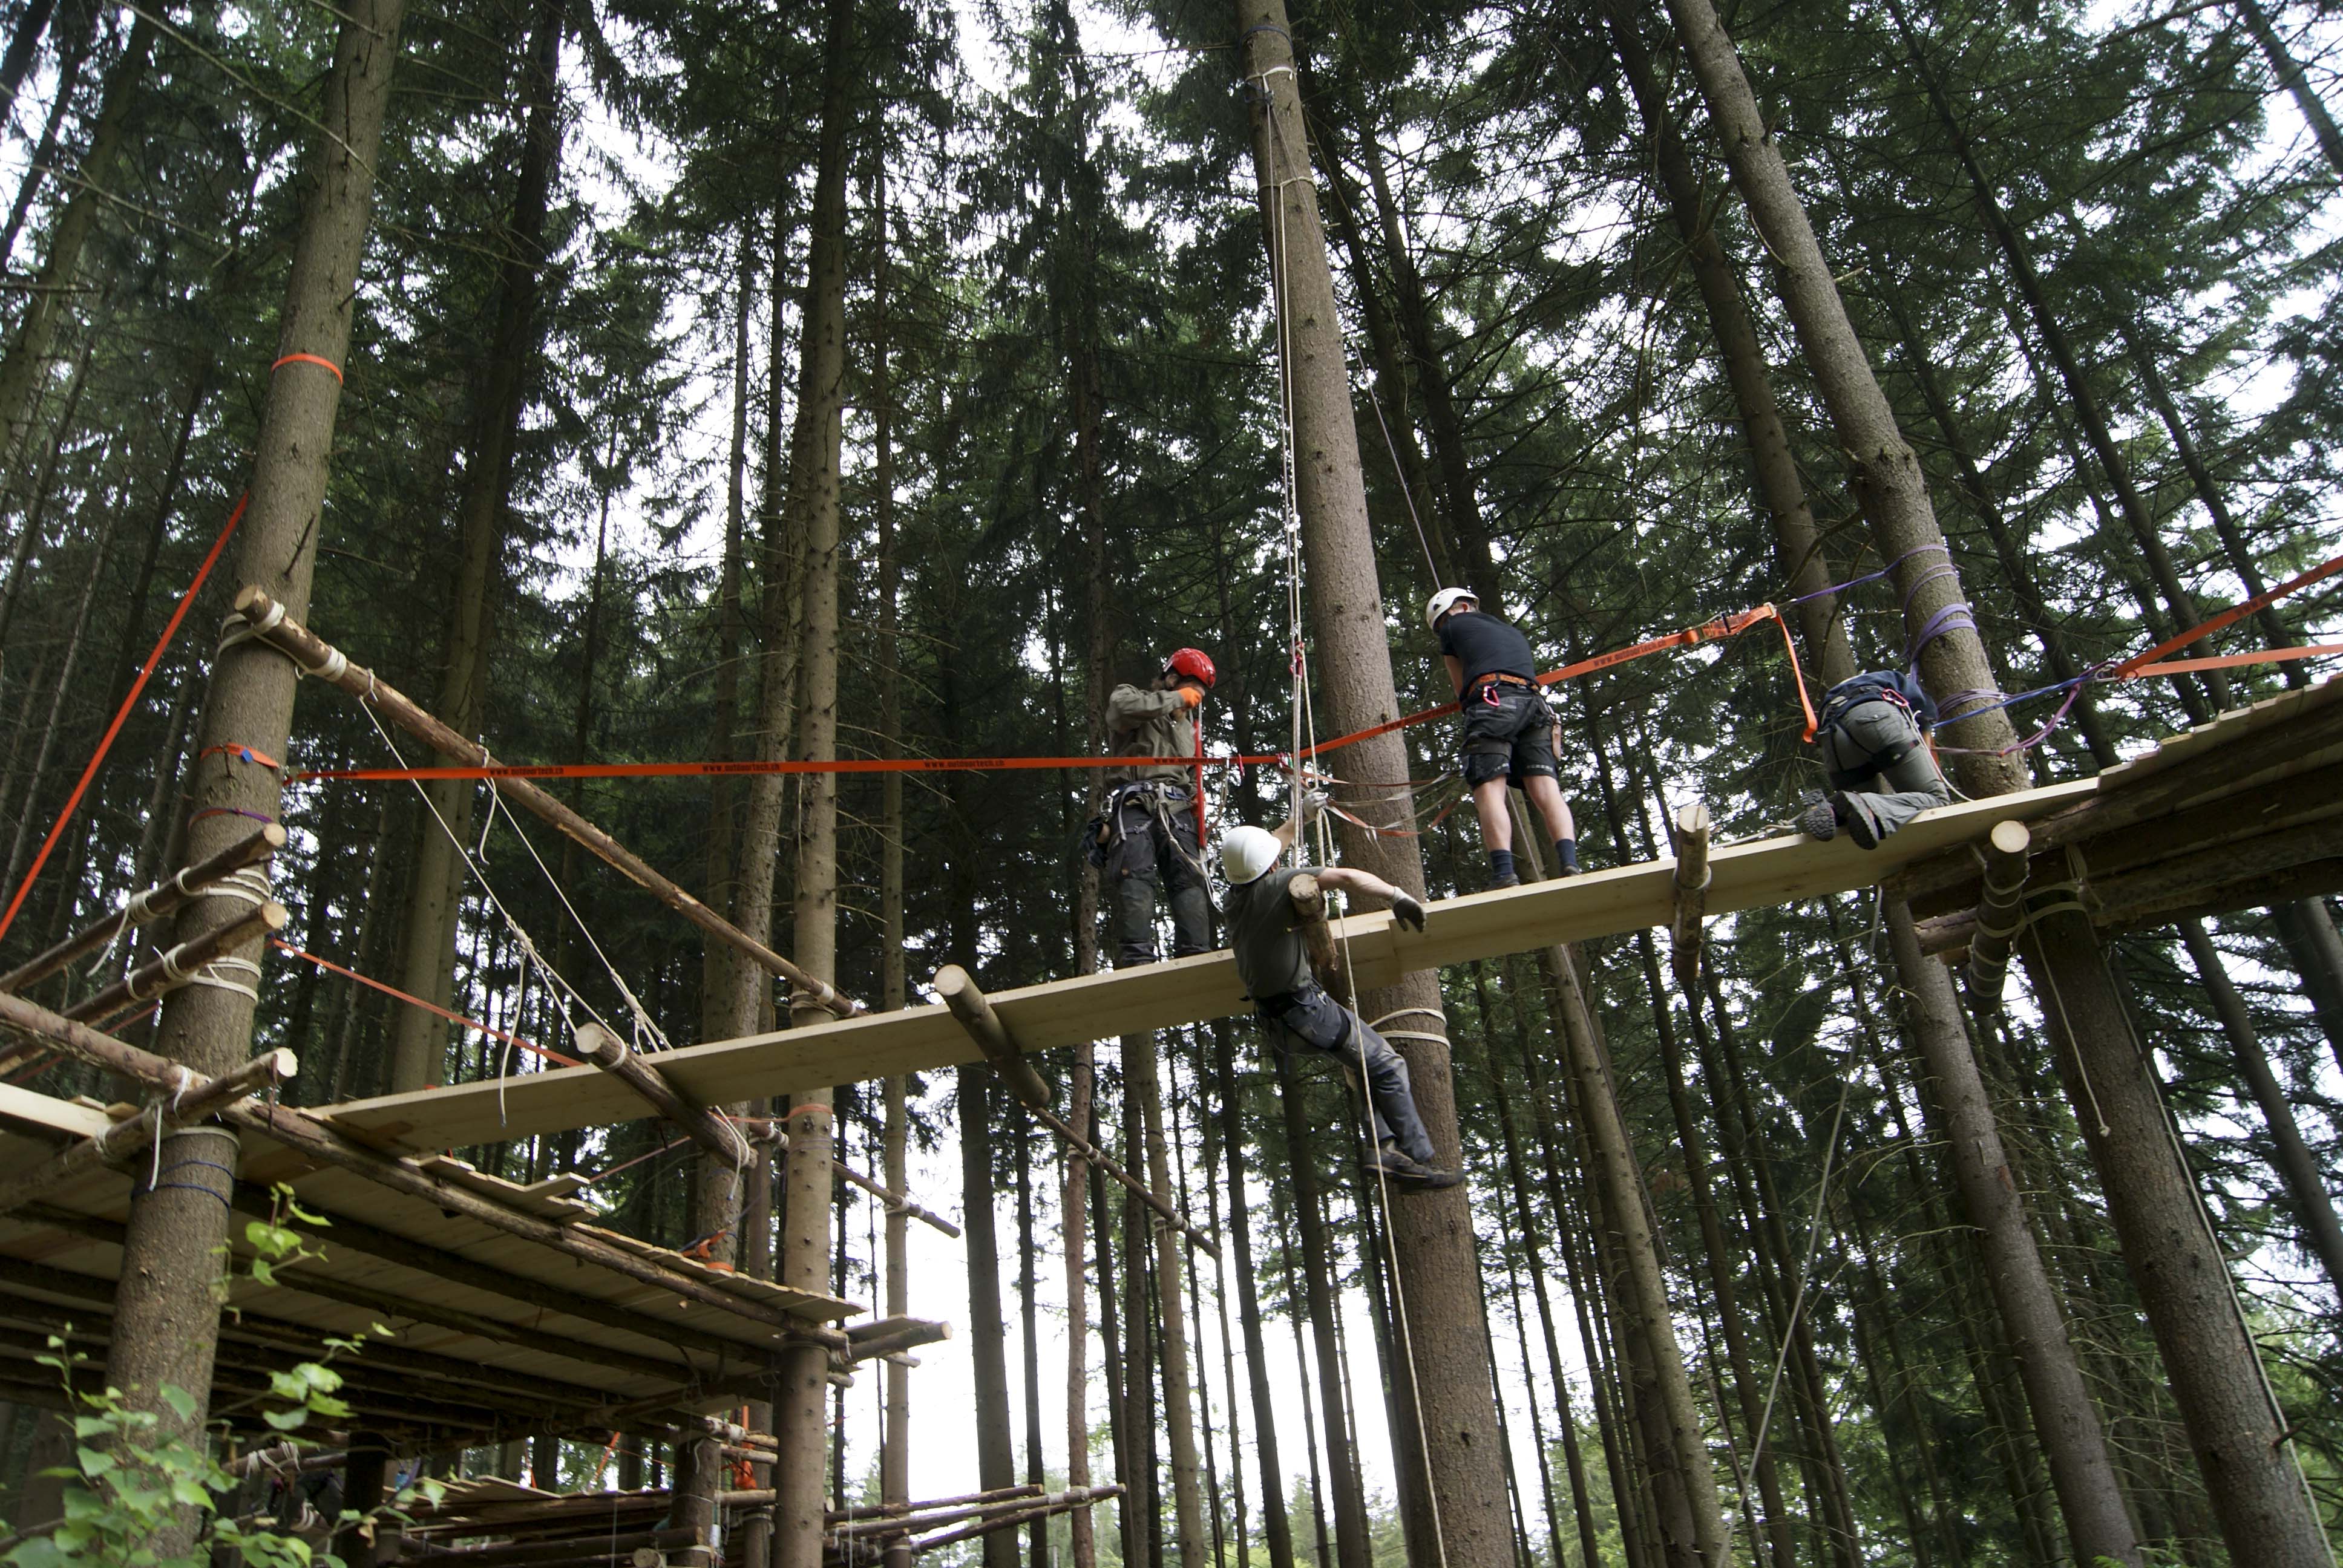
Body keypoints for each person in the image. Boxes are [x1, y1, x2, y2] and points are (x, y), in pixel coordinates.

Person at [1218, 815, 1463, 1191]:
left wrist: (1299, 815)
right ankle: (1419, 1157)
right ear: (1272, 866)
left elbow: (1268, 849)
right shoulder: (1283, 883)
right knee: (1386, 1064)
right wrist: (1397, 896)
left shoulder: (1234, 900)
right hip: (1307, 1011)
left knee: (1366, 1068)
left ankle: (1386, 1149)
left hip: (1280, 1024)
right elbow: (1346, 877)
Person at [1424, 588, 1580, 889]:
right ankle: (1570, 863)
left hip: (1493, 703)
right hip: (1537, 708)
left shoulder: (1452, 626)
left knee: (1489, 789)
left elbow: (1460, 689)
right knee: (1547, 790)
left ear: (1450, 612)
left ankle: (1504, 873)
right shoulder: (1510, 632)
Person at [1095, 647, 1216, 967]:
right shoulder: (1135, 699)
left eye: (1197, 698)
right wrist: (1177, 699)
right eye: (1191, 693)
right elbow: (1119, 710)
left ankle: (1196, 957)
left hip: (1177, 809)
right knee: (1134, 874)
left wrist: (1197, 807)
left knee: (1189, 878)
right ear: (1172, 680)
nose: (1193, 702)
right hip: (1135, 802)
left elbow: (1191, 775)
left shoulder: (1189, 730)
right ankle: (1137, 960)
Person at [1796, 668, 1952, 848]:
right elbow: (1925, 718)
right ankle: (1866, 804)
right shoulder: (1896, 679)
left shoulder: (1840, 692)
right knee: (1936, 799)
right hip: (1874, 715)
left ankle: (1832, 812)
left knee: (1862, 819)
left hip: (1831, 736)